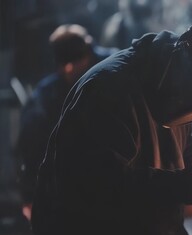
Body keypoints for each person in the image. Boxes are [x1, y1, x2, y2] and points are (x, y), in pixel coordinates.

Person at [31, 9, 192, 235]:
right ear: (187, 55)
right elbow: (99, 187)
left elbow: (184, 155)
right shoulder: (109, 90)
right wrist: (188, 184)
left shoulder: (178, 88)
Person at [16, 24, 117, 221]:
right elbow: (32, 141)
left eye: (74, 62)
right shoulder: (48, 93)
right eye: (63, 64)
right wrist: (29, 193)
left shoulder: (116, 68)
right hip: (75, 183)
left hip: (120, 175)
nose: (68, 69)